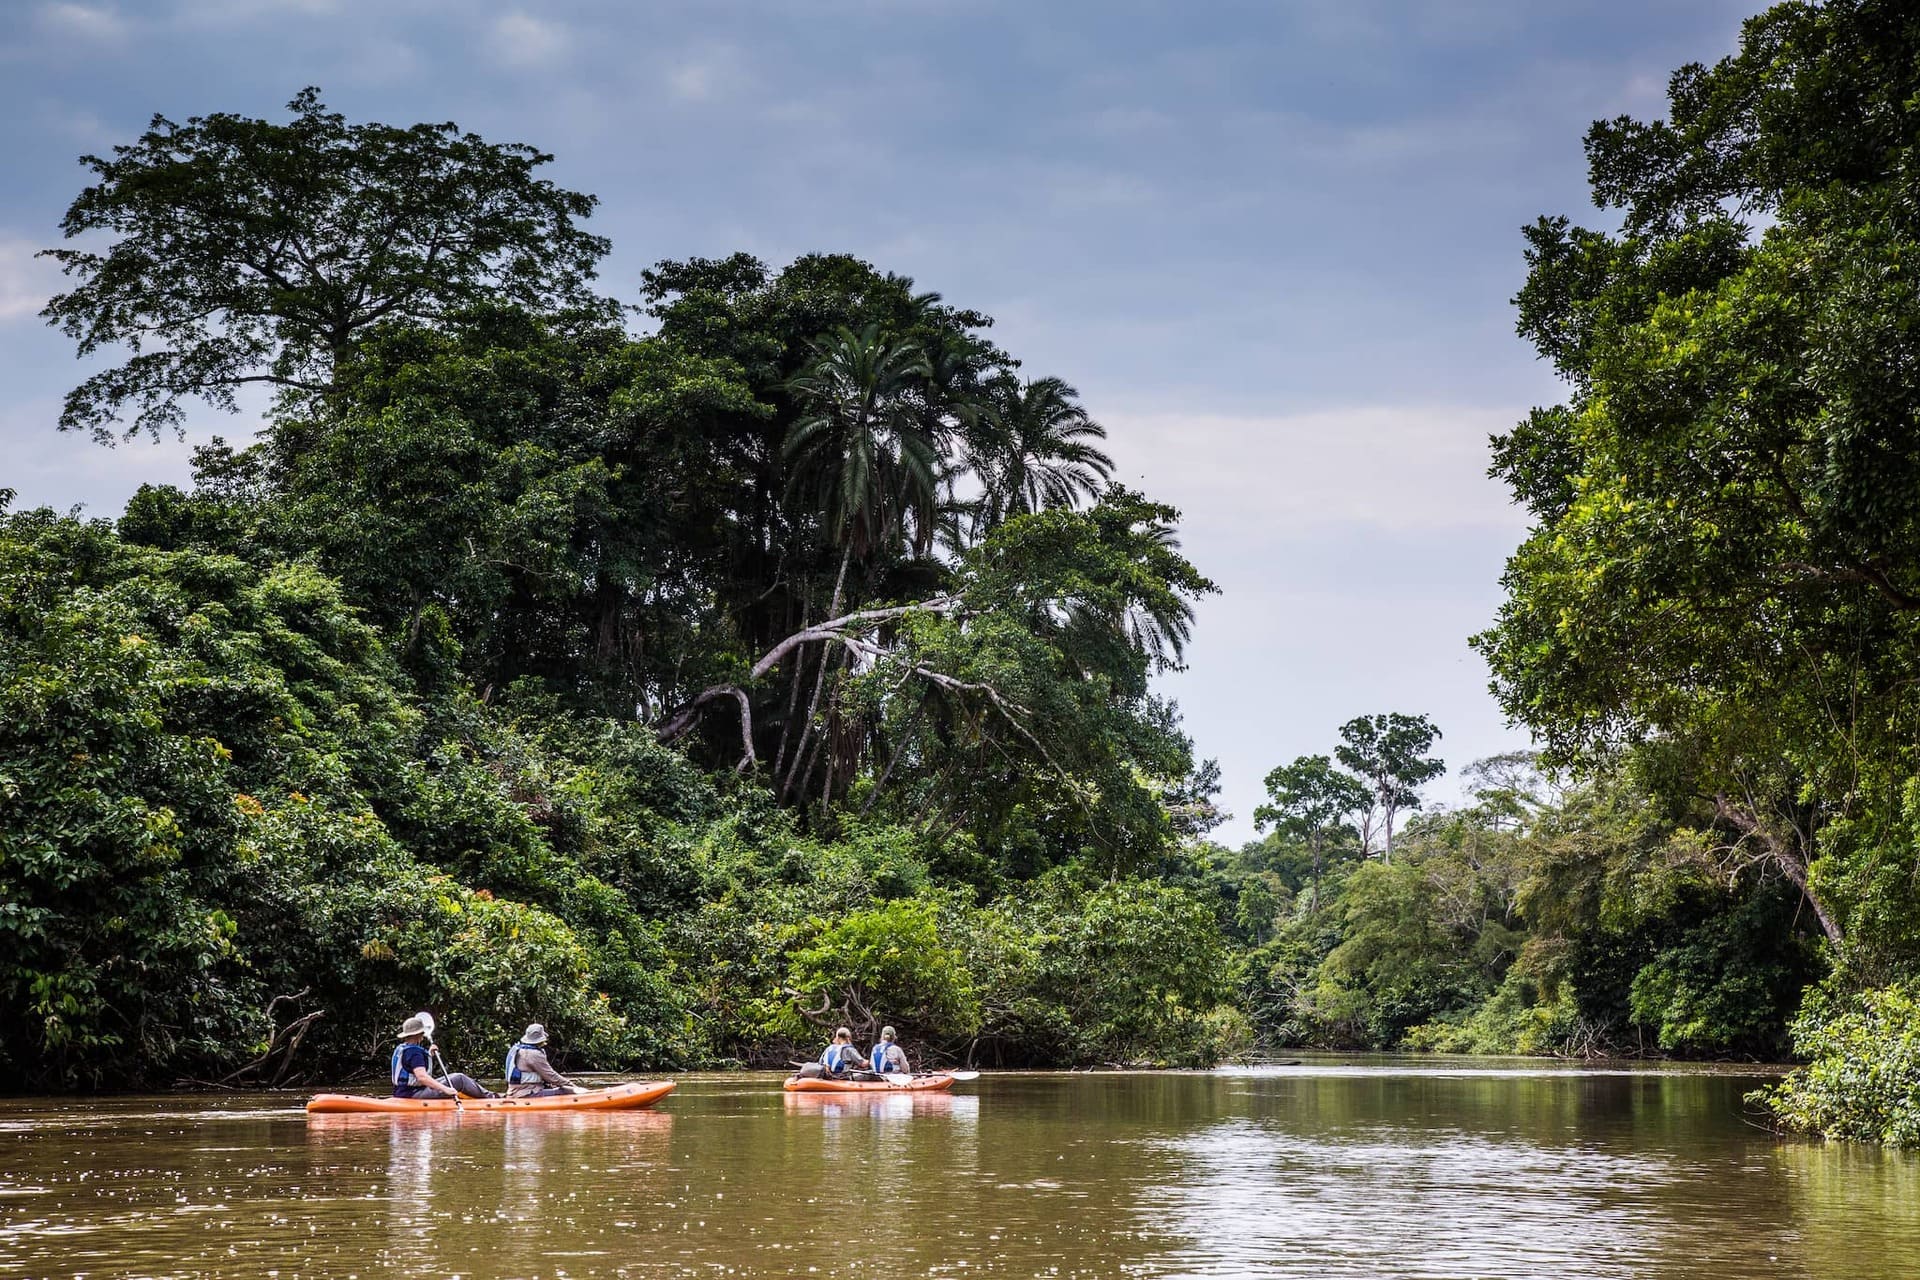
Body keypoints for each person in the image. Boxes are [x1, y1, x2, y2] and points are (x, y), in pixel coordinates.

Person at [391, 1014, 495, 1099]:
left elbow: (410, 1066)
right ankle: (492, 1098)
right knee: (460, 1079)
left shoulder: (401, 1048)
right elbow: (422, 1077)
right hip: (413, 1094)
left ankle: (486, 1095)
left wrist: (429, 1055)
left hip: (401, 1092)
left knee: (454, 1077)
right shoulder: (414, 1052)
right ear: (419, 1034)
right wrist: (446, 1089)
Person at [504, 1023, 582, 1098]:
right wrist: (573, 1086)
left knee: (556, 1087)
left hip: (515, 1092)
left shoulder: (519, 1049)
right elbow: (551, 1076)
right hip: (526, 1093)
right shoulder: (534, 1054)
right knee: (564, 1091)